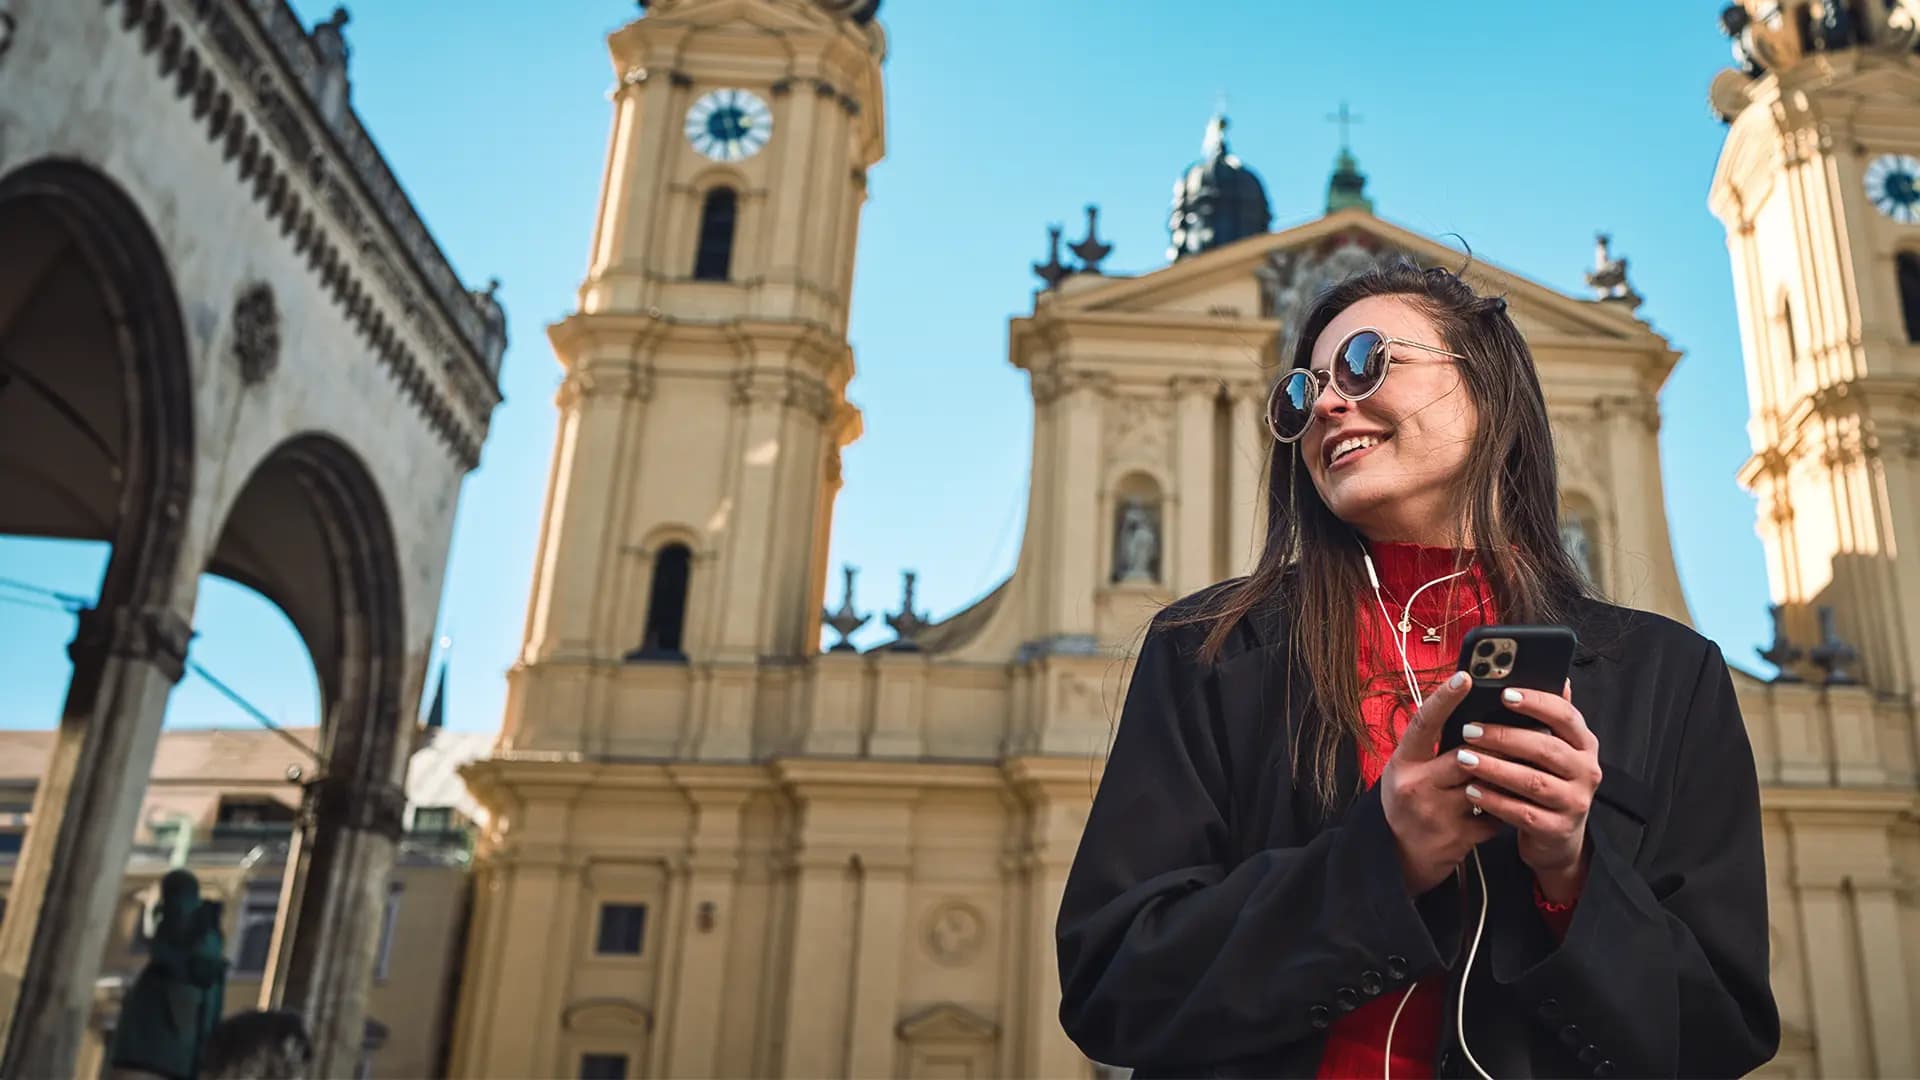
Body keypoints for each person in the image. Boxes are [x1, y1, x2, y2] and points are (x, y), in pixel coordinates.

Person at [1055, 261, 1778, 1079]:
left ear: (1488, 387)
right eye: (1301, 394)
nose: (1326, 404)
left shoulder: (1668, 677)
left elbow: (1718, 1036)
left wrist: (1572, 875)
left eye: (1365, 362)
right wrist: (1380, 859)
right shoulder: (1209, 651)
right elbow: (1111, 988)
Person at [109, 868, 228, 1080]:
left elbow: (202, 973)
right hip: (155, 1037)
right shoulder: (175, 924)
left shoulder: (202, 933)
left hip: (175, 1034)